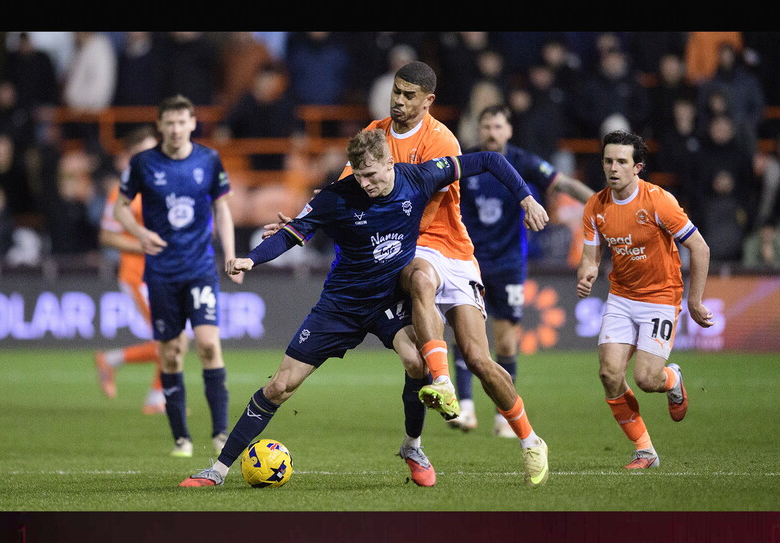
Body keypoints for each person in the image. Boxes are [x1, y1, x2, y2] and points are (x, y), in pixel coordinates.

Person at [179, 128, 550, 488]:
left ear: (390, 163)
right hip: (340, 305)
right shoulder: (337, 197)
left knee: (418, 362)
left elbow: (486, 159)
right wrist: (252, 260)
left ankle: (413, 447)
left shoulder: (420, 177)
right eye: (358, 176)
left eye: (371, 175)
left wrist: (525, 197)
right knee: (280, 386)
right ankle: (218, 469)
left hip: (388, 300)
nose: (366, 184)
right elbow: (295, 233)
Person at [262, 61, 551, 486]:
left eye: (409, 95)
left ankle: (530, 440)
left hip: (454, 247)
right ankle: (442, 383)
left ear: (428, 101)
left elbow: (472, 169)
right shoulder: (375, 135)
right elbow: (346, 189)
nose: (398, 100)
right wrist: (304, 220)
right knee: (418, 279)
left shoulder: (440, 140)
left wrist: (525, 197)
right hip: (411, 248)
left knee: (480, 358)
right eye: (397, 91)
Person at [575, 130, 714, 469]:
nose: (613, 168)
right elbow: (591, 256)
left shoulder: (658, 201)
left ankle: (672, 379)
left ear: (637, 167)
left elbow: (700, 247)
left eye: (621, 162)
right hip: (621, 296)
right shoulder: (596, 205)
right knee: (609, 374)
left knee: (647, 379)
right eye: (608, 160)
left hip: (660, 297)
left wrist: (695, 301)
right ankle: (645, 450)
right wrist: (588, 272)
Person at [452, 104, 595, 435]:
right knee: (463, 334)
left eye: (498, 126)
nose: (491, 132)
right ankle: (466, 408)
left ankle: (504, 414)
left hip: (508, 263)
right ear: (479, 129)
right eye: (486, 126)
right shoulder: (466, 161)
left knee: (505, 342)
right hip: (467, 260)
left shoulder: (522, 162)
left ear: (509, 130)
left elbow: (563, 185)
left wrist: (602, 205)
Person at [113, 95, 242, 458]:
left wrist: (230, 255)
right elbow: (120, 209)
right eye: (168, 123)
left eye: (180, 122)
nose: (174, 129)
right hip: (162, 273)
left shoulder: (208, 159)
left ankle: (219, 433)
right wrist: (139, 235)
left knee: (208, 345)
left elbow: (222, 207)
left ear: (192, 123)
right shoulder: (142, 163)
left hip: (200, 268)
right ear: (160, 126)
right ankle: (182, 438)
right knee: (170, 355)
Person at [94, 125, 167, 415]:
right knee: (172, 337)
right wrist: (145, 244)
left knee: (173, 338)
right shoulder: (123, 190)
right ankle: (156, 399)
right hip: (138, 275)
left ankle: (111, 361)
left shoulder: (164, 185)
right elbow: (107, 236)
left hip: (165, 272)